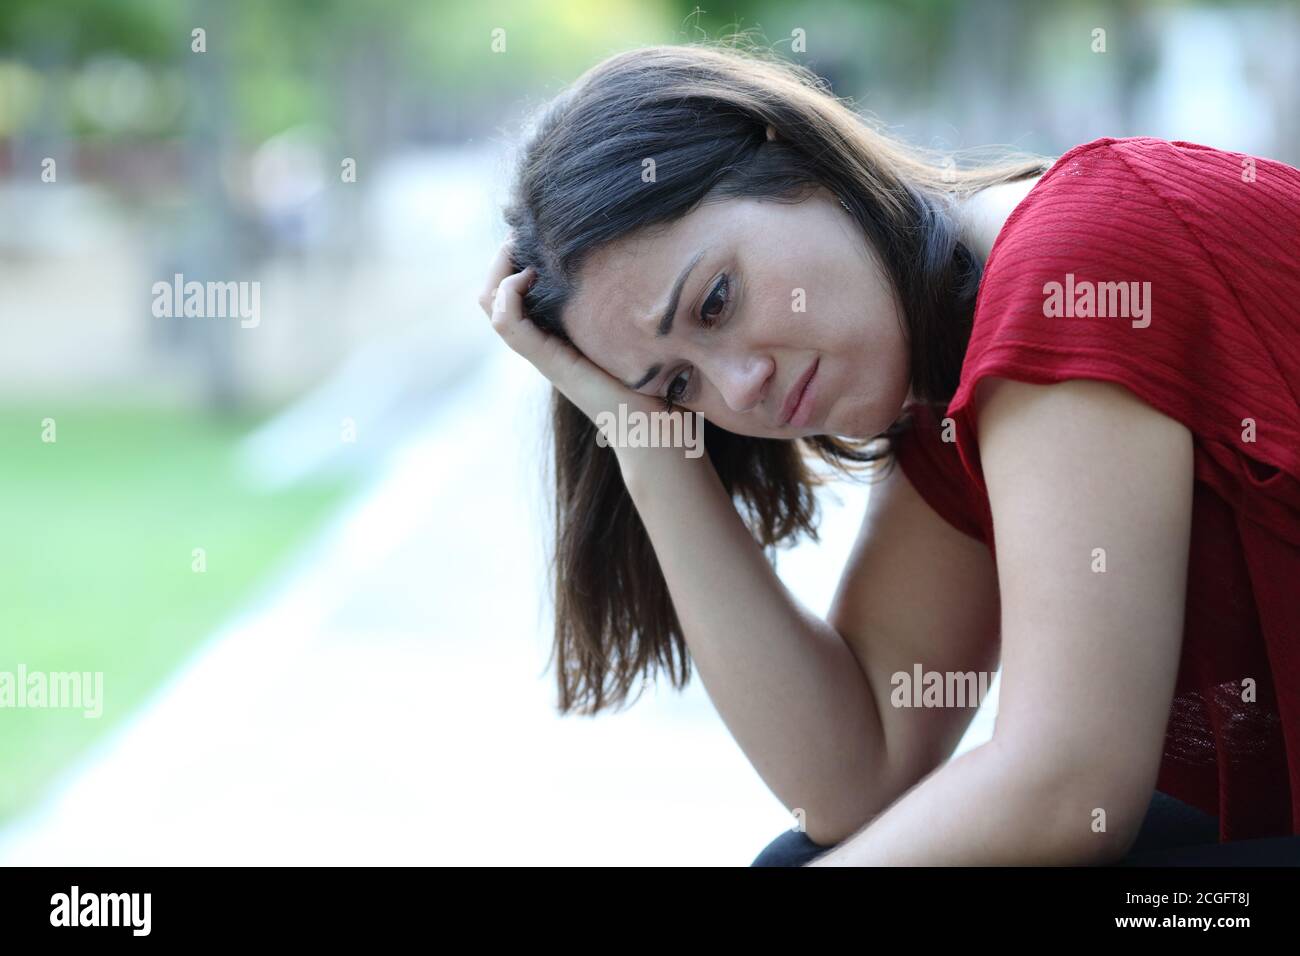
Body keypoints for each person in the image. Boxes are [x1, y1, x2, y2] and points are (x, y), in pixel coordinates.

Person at [478, 40, 1300, 865]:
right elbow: (852, 782)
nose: (741, 388)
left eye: (717, 301)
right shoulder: (949, 403)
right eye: (680, 385)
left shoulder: (1075, 264)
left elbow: (1068, 787)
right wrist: (646, 443)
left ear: (796, 159)